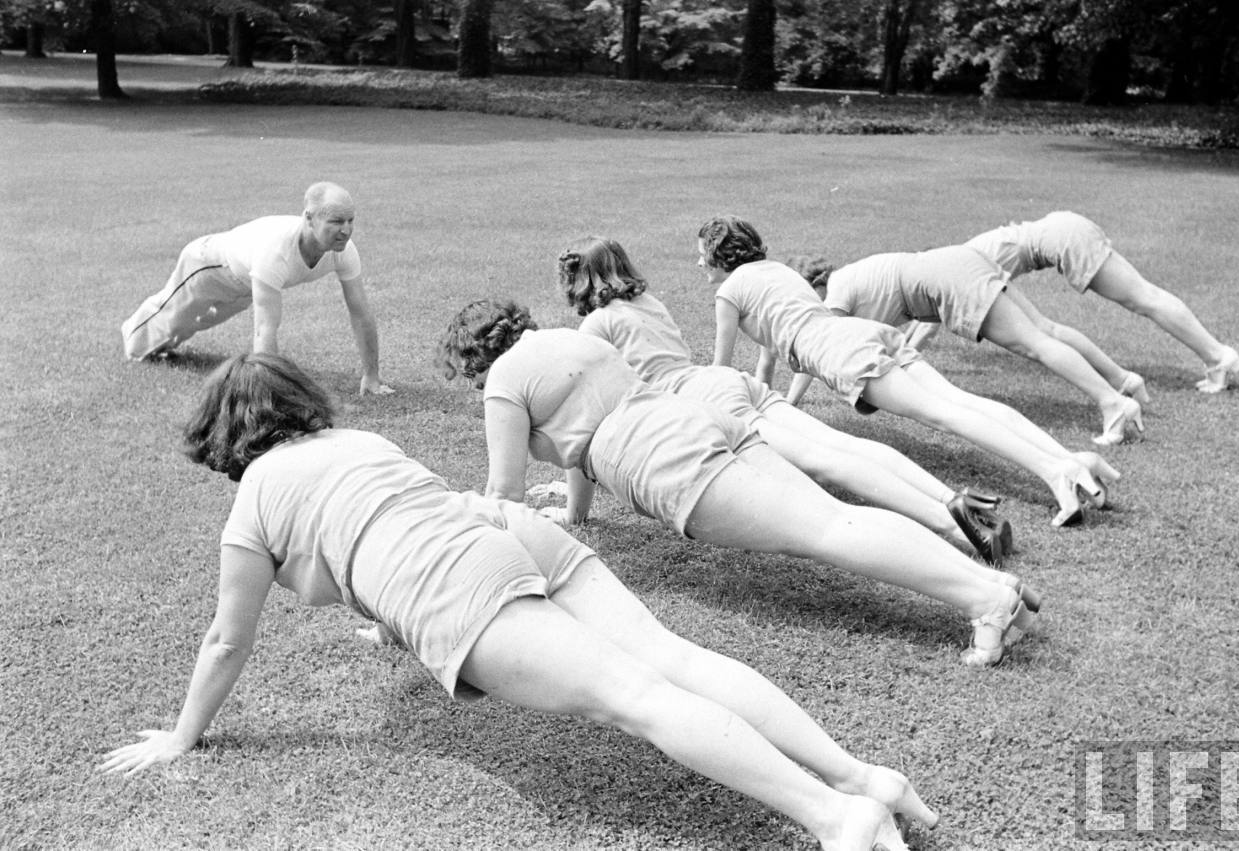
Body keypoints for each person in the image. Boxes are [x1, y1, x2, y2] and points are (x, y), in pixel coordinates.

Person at [97, 352, 931, 851]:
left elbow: (225, 639)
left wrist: (181, 736)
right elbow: (375, 535)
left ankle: (835, 816)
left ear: (226, 438)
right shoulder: (359, 441)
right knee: (674, 659)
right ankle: (867, 778)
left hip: (455, 576)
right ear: (295, 402)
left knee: (639, 699)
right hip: (495, 528)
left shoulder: (255, 500)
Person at [438, 300, 1039, 666]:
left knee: (829, 529)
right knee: (831, 515)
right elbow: (583, 436)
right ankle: (990, 586)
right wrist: (575, 512)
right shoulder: (572, 340)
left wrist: (454, 586)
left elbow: (502, 499)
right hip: (695, 416)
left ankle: (985, 599)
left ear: (471, 359)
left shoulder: (503, 383)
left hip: (659, 456)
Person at [560, 235, 1014, 564]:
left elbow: (591, 417)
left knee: (822, 460)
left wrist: (572, 508)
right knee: (841, 446)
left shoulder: (596, 326)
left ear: (578, 281)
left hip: (698, 397)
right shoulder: (649, 303)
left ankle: (951, 525)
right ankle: (954, 501)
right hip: (724, 380)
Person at [697, 215, 1120, 528]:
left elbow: (721, 369)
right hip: (863, 332)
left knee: (944, 414)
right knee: (959, 402)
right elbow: (770, 355)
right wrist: (775, 404)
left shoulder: (729, 291)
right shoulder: (781, 272)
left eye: (702, 255)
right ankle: (1068, 459)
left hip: (838, 350)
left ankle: (1055, 471)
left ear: (718, 255)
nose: (700, 264)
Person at [787, 247, 1143, 446]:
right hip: (960, 261)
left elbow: (822, 347)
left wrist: (790, 404)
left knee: (1034, 344)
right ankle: (1121, 386)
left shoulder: (836, 292)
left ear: (811, 286)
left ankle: (1112, 402)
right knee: (1042, 332)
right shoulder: (855, 274)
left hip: (949, 279)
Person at [120, 182, 393, 395]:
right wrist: (268, 394)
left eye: (350, 220)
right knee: (171, 316)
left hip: (246, 283)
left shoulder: (343, 251)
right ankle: (133, 342)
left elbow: (361, 313)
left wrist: (371, 376)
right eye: (336, 221)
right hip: (208, 266)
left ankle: (164, 349)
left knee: (196, 323)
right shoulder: (275, 250)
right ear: (309, 218)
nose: (346, 230)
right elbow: (265, 329)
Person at [961, 210, 1239, 394]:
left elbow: (932, 314)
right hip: (1064, 228)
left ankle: (1218, 357)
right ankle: (1216, 357)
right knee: (1146, 297)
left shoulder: (959, 263)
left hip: (1063, 240)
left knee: (1144, 299)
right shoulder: (963, 252)